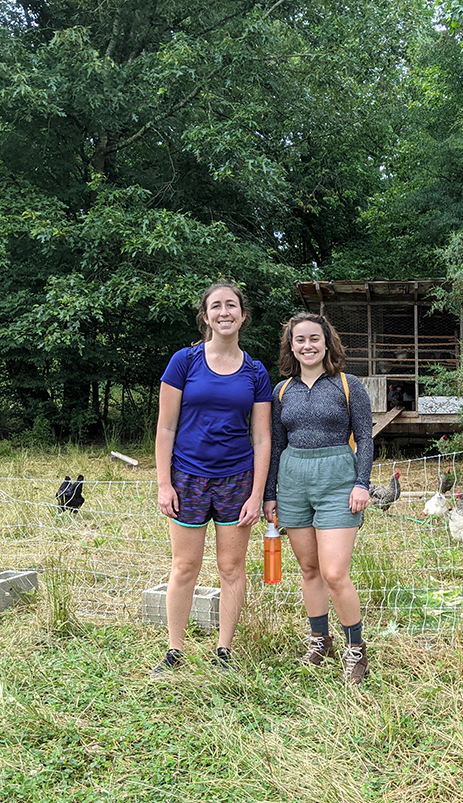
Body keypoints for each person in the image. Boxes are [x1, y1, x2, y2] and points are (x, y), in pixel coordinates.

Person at [152, 280, 272, 677]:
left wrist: (256, 494)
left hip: (237, 480)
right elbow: (165, 428)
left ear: (242, 315)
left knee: (231, 568)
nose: (225, 312)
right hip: (187, 478)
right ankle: (174, 651)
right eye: (217, 306)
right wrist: (164, 483)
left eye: (232, 305)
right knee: (184, 566)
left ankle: (224, 650)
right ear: (206, 317)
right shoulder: (184, 362)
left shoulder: (255, 372)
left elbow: (261, 437)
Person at [263, 312, 374, 684]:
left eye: (314, 339)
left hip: (337, 479)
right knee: (309, 570)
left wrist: (362, 483)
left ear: (327, 342)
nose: (307, 346)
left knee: (334, 572)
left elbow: (366, 437)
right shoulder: (281, 391)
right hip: (293, 481)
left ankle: (356, 651)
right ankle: (319, 641)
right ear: (290, 346)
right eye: (300, 340)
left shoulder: (347, 385)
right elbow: (276, 445)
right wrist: (269, 495)